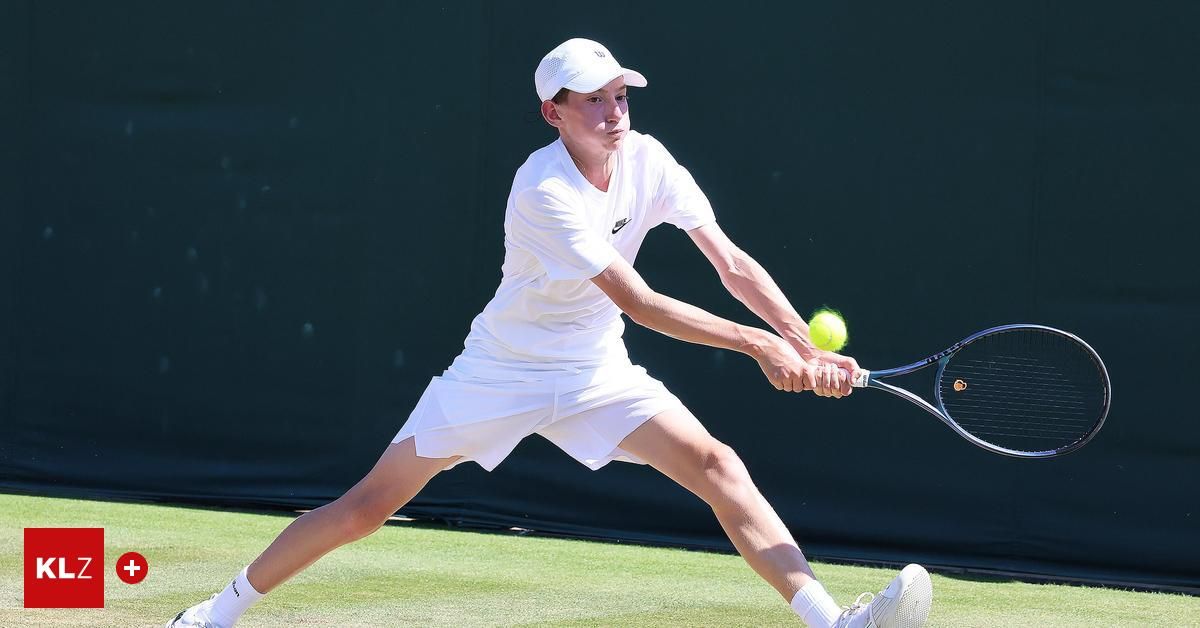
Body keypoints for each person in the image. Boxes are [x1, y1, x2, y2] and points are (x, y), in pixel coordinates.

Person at [169, 38, 932, 628]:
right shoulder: (542, 189)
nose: (614, 111)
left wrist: (800, 341)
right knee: (367, 507)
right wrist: (757, 346)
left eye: (618, 94)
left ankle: (833, 621)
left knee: (717, 465)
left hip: (596, 370)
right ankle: (218, 611)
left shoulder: (649, 159)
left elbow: (730, 262)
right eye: (592, 100)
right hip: (502, 371)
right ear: (552, 113)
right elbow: (640, 302)